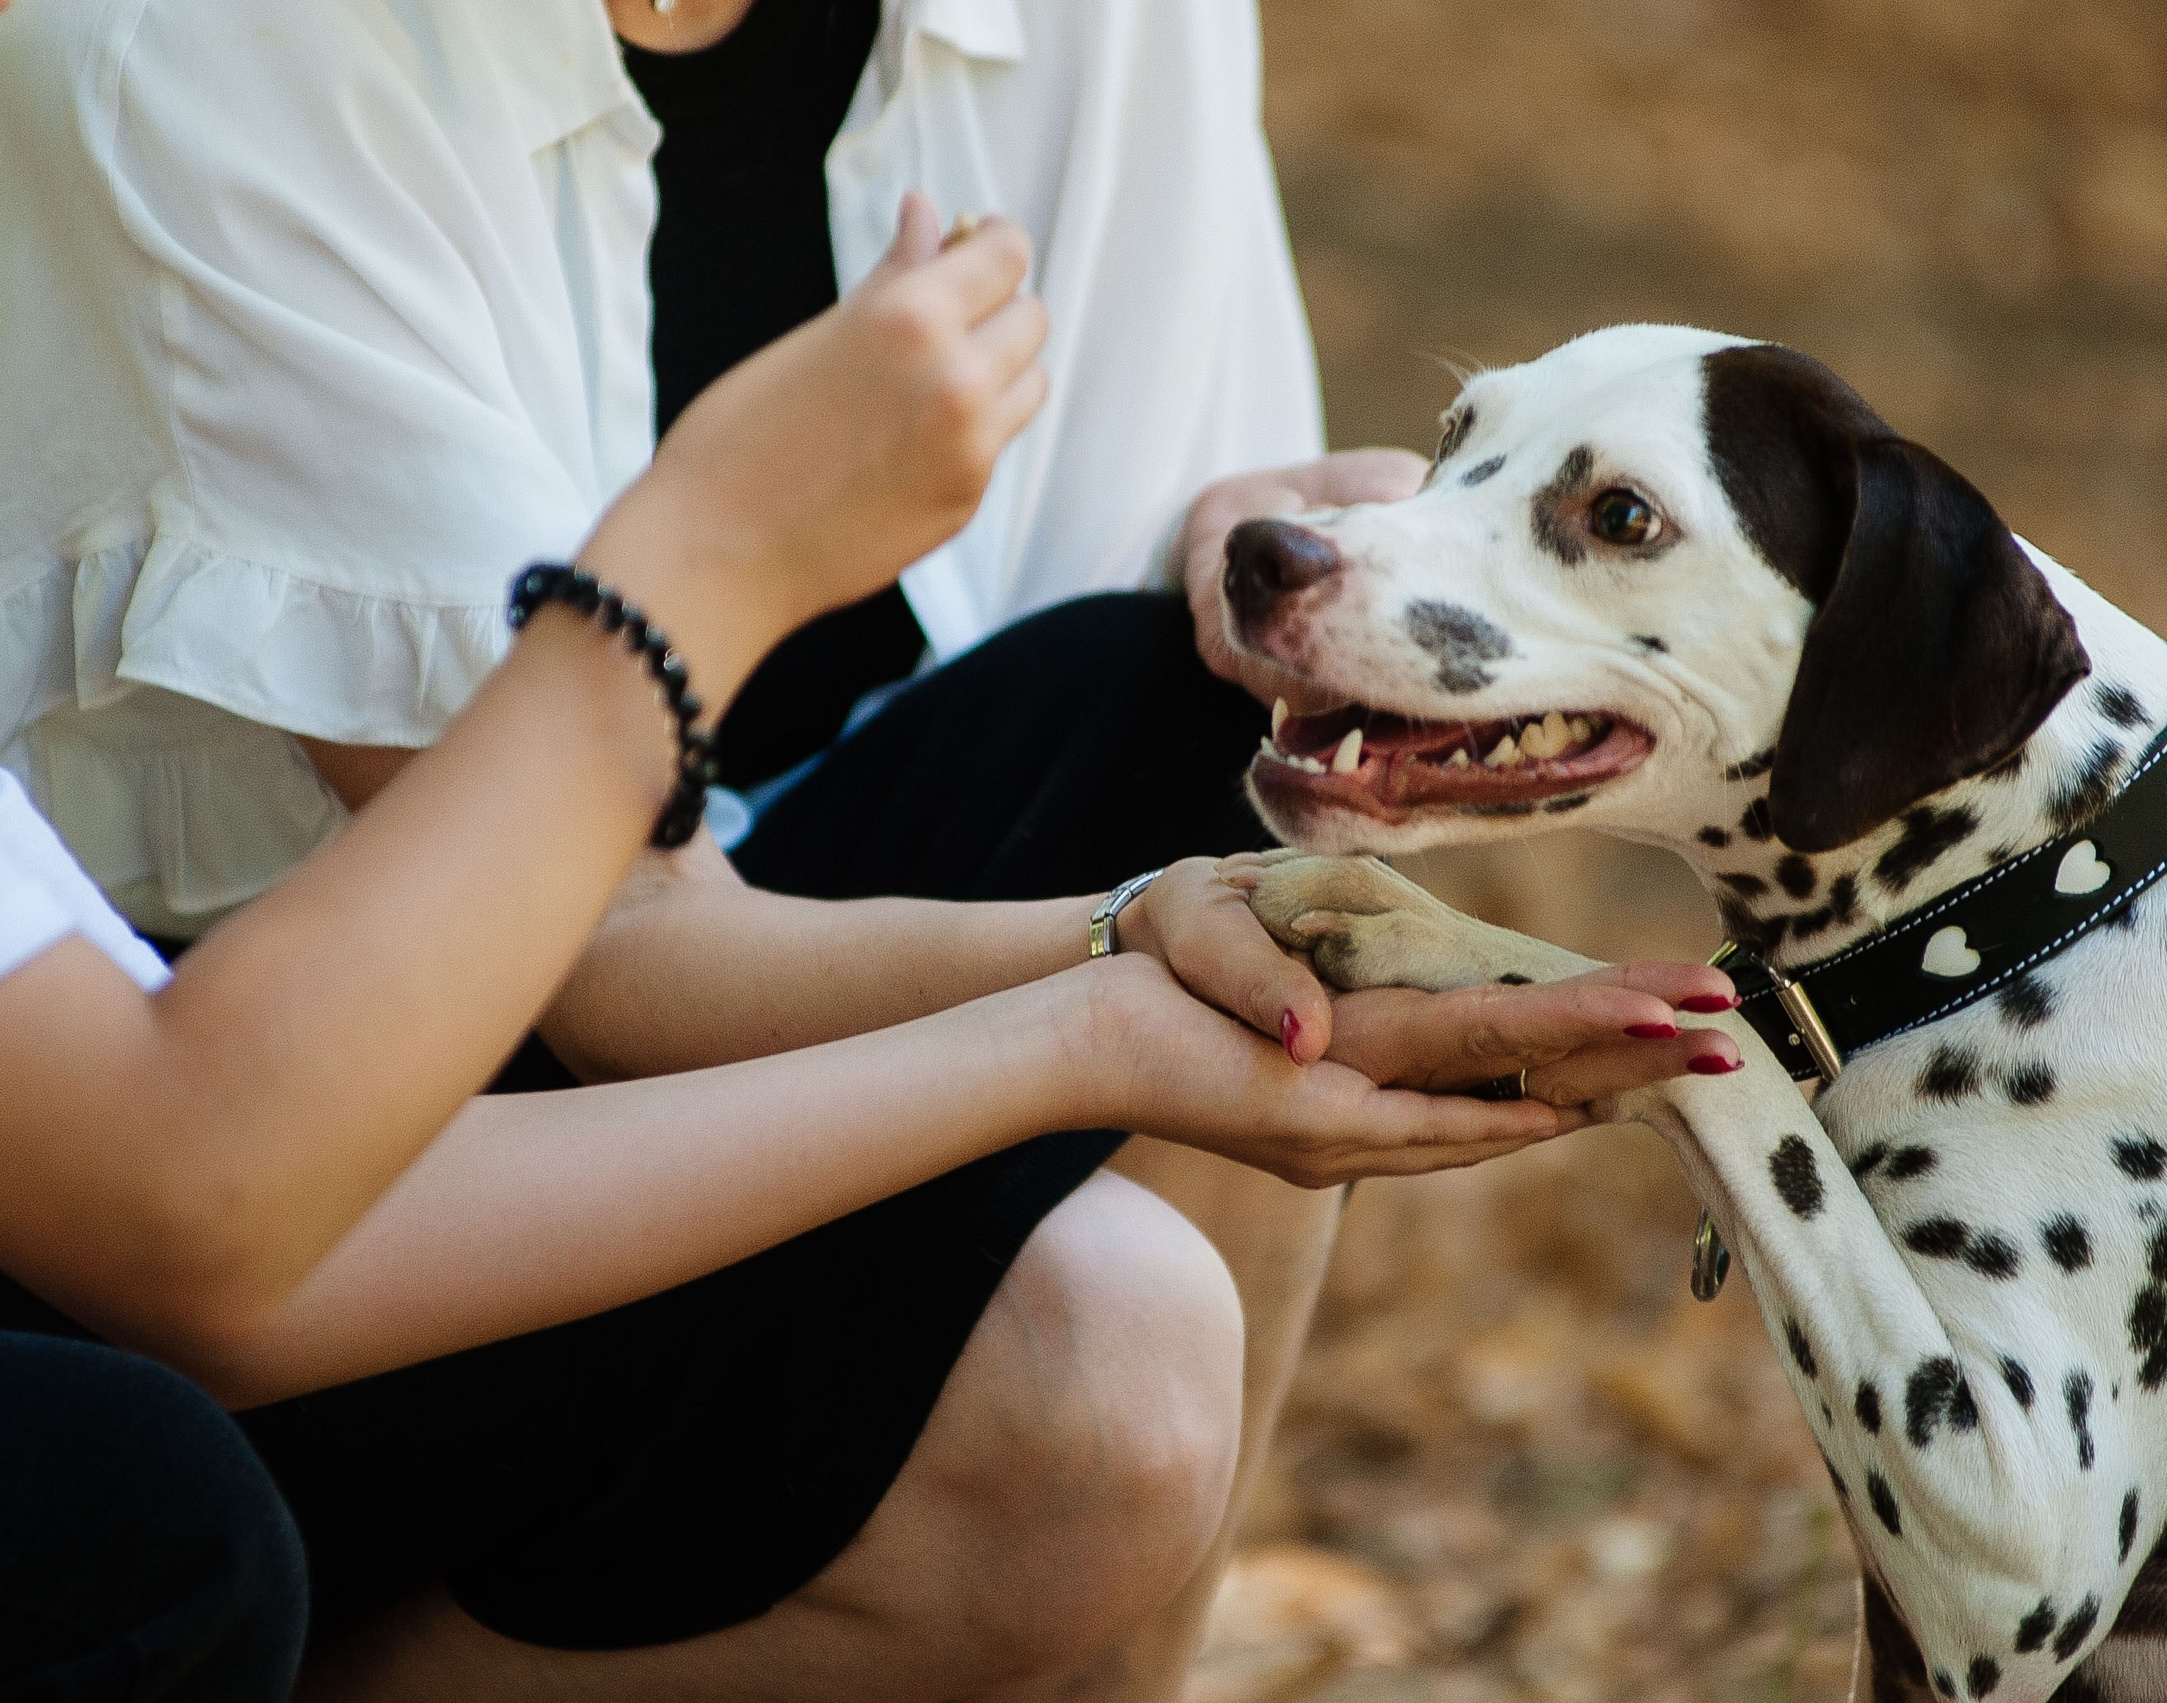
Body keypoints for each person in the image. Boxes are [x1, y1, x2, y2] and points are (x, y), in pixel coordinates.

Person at [0, 4, 1750, 1696]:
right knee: (165, 1521)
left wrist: (1236, 565)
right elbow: (546, 980)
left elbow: (1192, 617)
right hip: (365, 1064)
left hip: (426, 1110)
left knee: (1217, 717)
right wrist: (718, 557)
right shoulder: (202, 47)